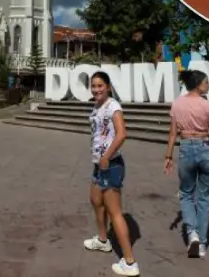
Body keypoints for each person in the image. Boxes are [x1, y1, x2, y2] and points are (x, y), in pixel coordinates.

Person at [83, 71, 140, 276]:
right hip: (100, 164)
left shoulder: (113, 106)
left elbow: (122, 132)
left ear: (107, 86)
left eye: (100, 85)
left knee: (115, 212)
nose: (96, 89)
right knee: (95, 199)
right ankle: (102, 240)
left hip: (111, 164)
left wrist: (107, 156)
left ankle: (129, 262)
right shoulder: (98, 106)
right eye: (93, 86)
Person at [164, 70, 209, 259]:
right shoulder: (208, 106)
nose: (208, 85)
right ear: (198, 85)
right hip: (206, 148)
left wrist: (168, 156)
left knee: (186, 194)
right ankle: (202, 244)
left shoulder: (177, 104)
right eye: (206, 82)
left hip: (186, 148)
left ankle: (193, 234)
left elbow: (173, 133)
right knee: (204, 198)